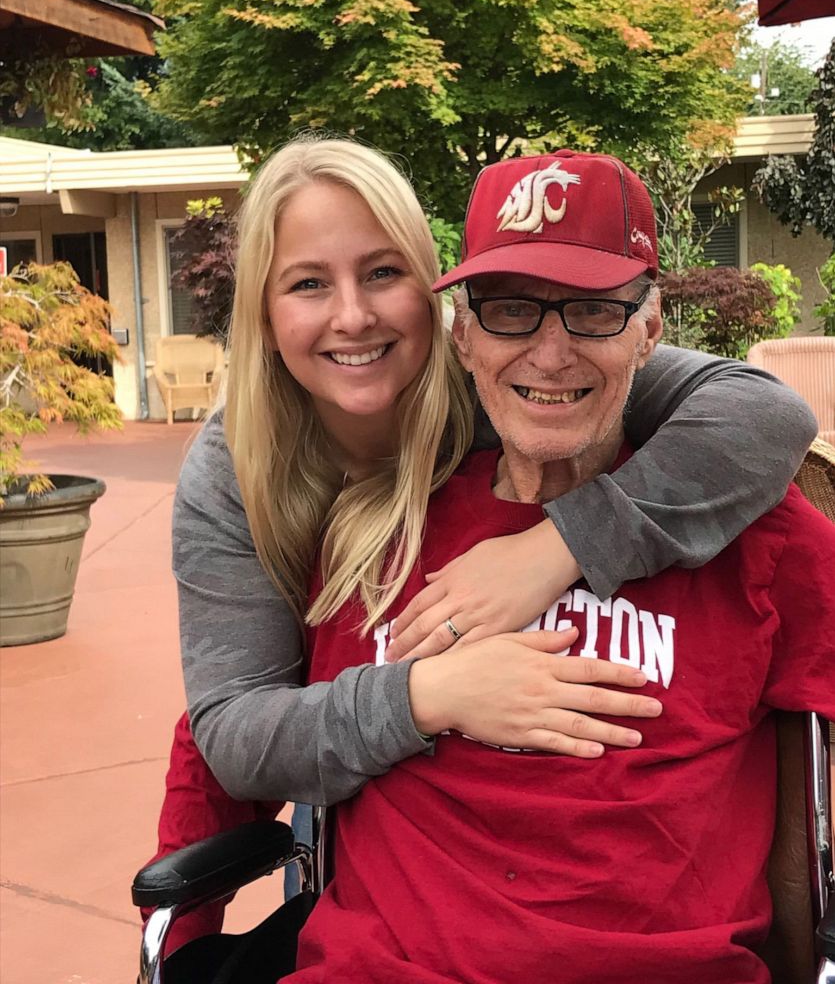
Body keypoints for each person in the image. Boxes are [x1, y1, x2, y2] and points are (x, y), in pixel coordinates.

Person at [146, 137, 816, 952]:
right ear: (467, 331)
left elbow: (769, 415)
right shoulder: (312, 513)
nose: (549, 350)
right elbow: (232, 728)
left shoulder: (735, 509)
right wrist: (432, 694)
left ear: (647, 331)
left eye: (595, 308)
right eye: (308, 283)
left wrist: (552, 546)